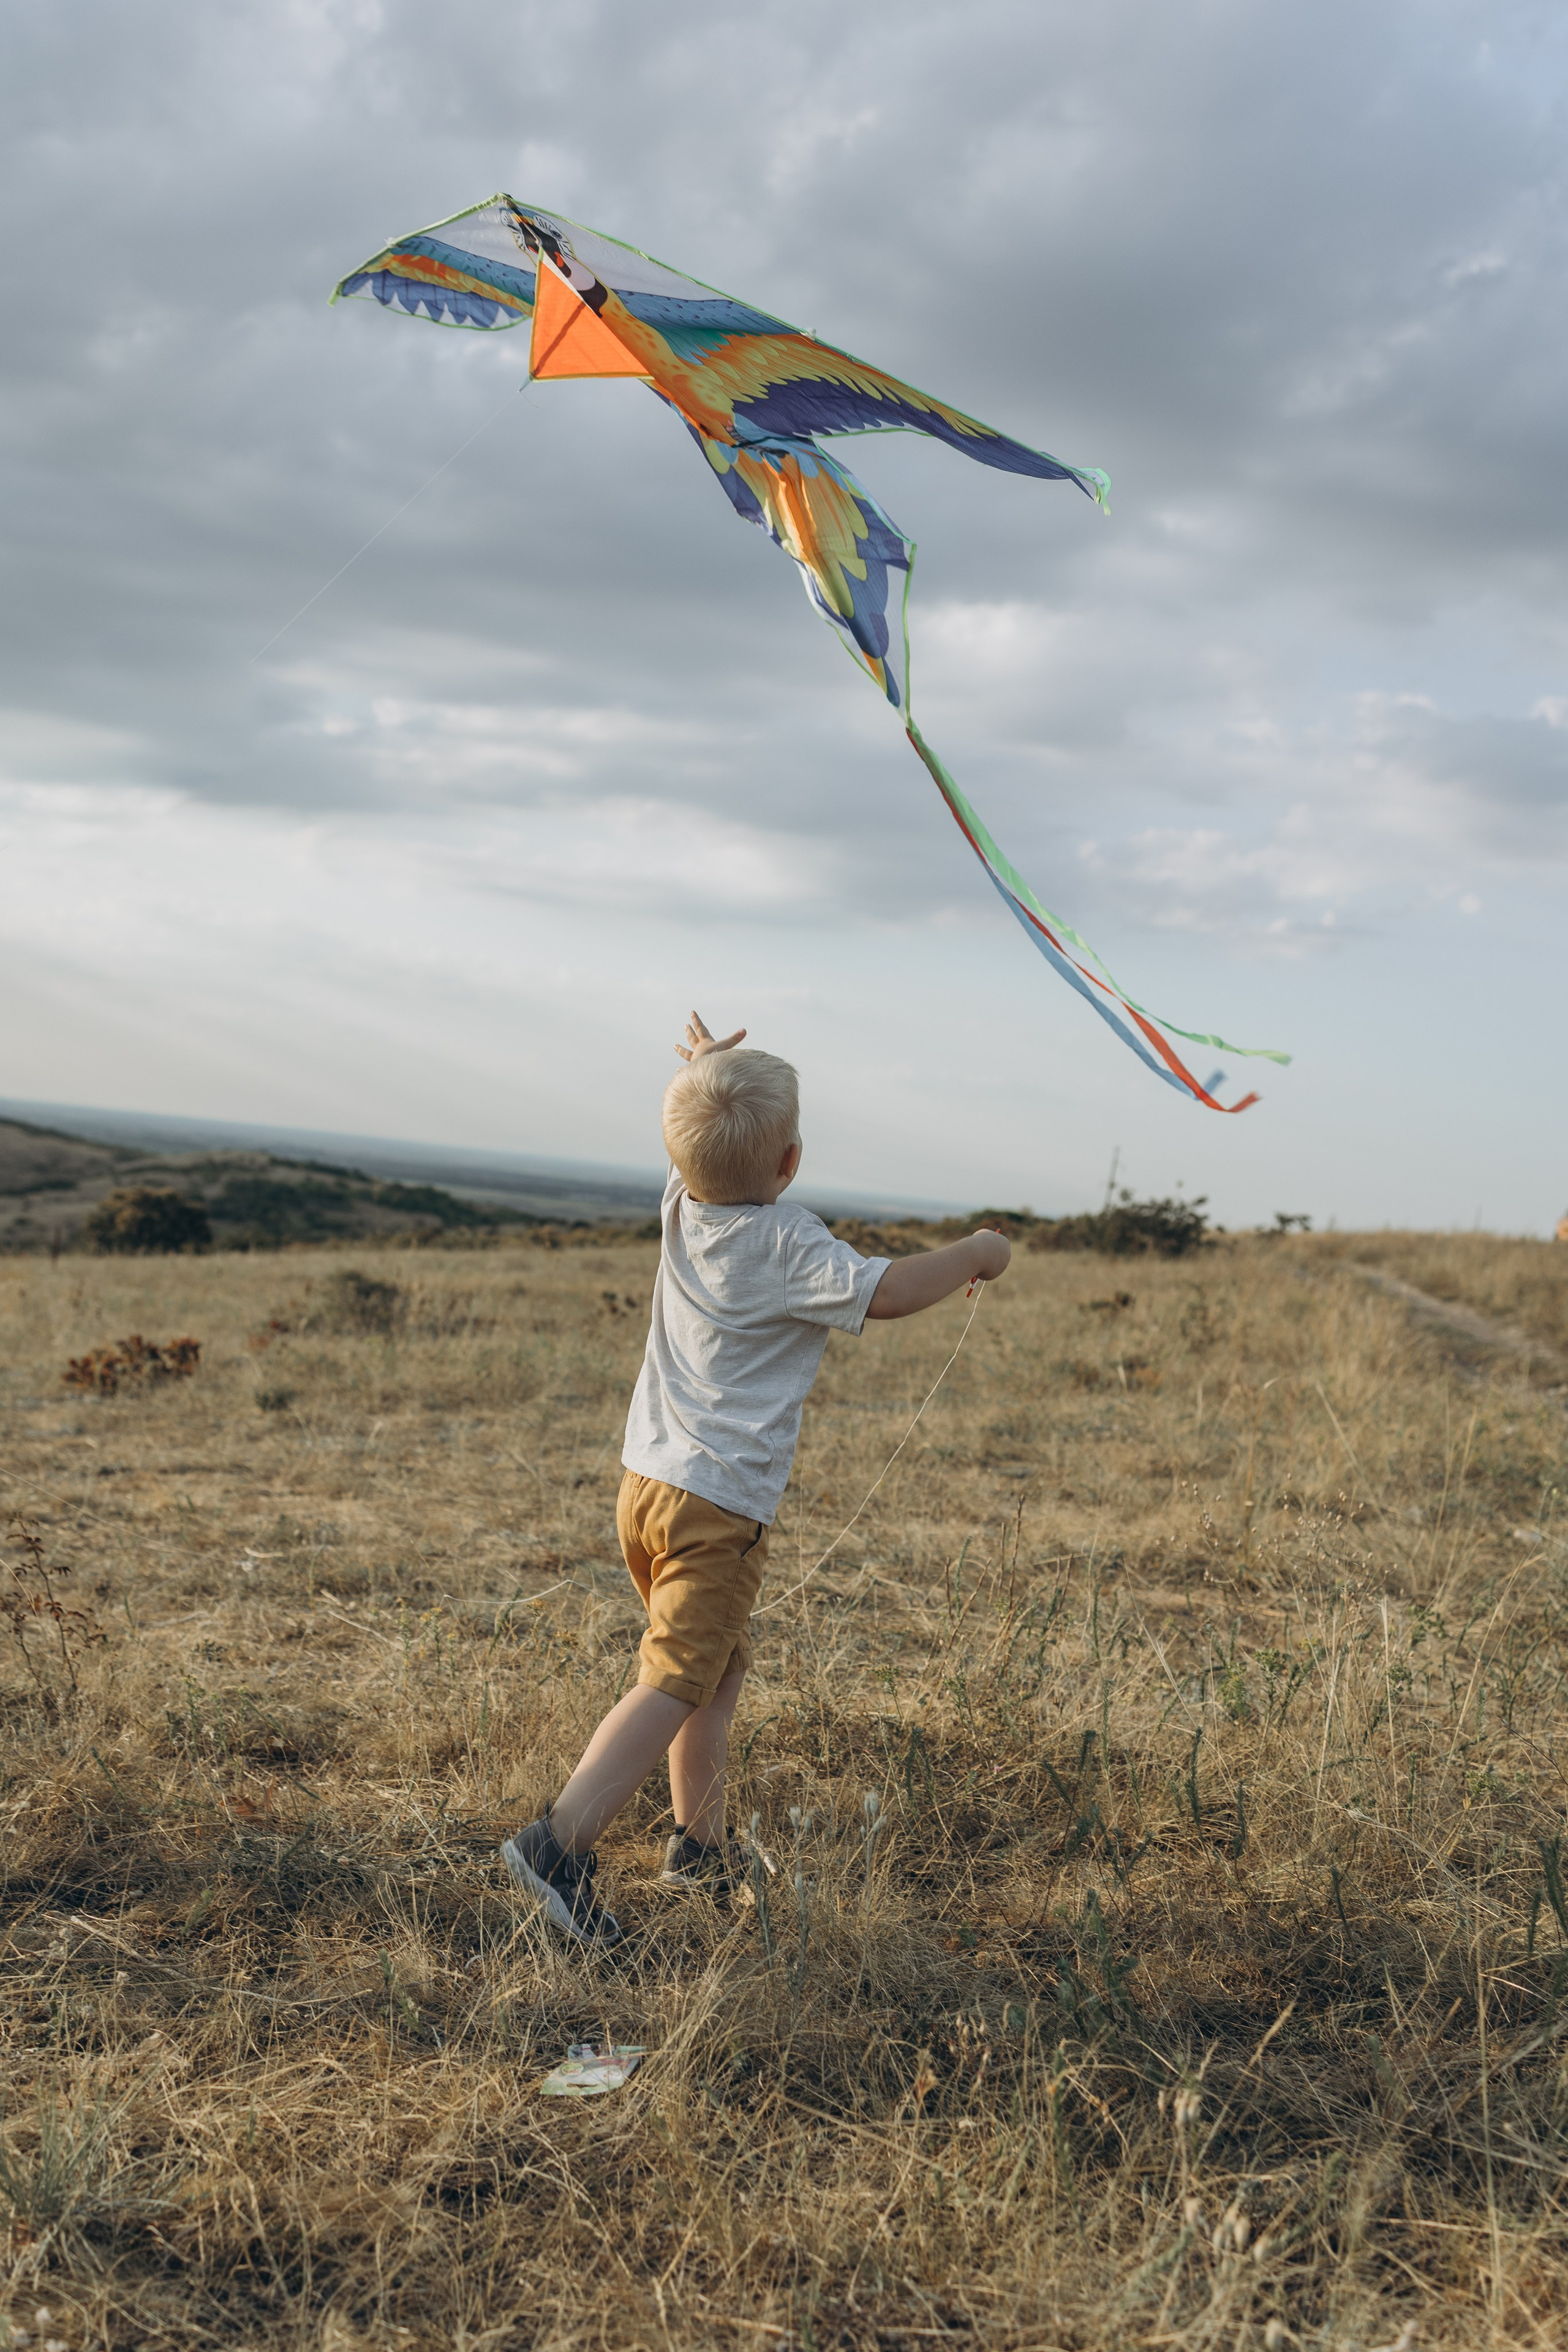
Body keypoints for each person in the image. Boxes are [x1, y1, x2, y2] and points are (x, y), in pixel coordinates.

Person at [500, 1012, 1012, 1943]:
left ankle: (700, 1847)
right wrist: (979, 1252)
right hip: (715, 1504)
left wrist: (701, 1069)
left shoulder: (682, 1206)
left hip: (647, 1488)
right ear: (790, 1165)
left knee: (712, 1671)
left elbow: (700, 1148)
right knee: (674, 1678)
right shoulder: (785, 1244)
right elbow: (888, 1291)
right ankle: (560, 1844)